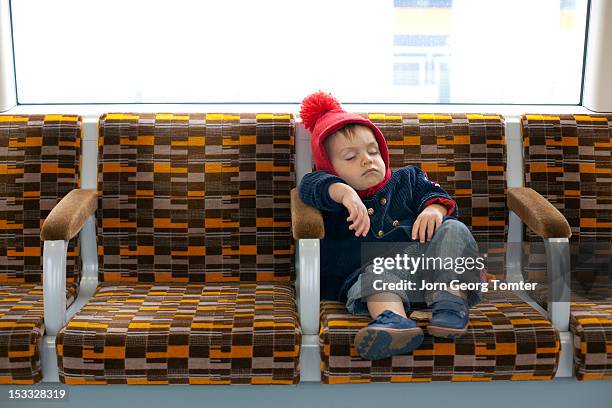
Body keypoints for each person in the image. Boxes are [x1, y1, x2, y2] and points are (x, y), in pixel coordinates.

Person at [298, 91, 485, 361]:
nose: (367, 160)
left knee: (453, 229)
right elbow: (310, 187)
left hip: (427, 268)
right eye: (350, 157)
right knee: (377, 273)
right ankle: (395, 324)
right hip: (374, 279)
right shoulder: (333, 195)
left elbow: (436, 194)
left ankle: (451, 305)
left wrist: (434, 209)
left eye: (373, 151)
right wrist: (345, 194)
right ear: (330, 168)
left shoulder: (407, 178)